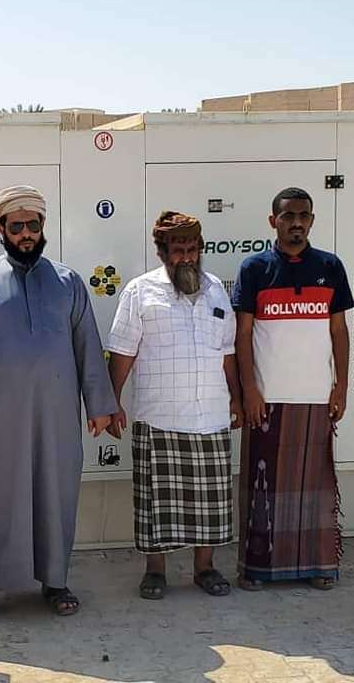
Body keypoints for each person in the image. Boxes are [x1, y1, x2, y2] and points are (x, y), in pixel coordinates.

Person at [0, 184, 116, 627]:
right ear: (1, 228)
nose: (26, 234)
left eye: (33, 225)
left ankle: (55, 581)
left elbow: (87, 346)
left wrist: (99, 405)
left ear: (43, 225)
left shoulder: (68, 282)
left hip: (56, 413)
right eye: (17, 227)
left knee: (56, 491)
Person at [106, 211, 243, 600]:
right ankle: (155, 571)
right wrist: (112, 401)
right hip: (159, 417)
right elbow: (122, 351)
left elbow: (228, 352)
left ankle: (205, 568)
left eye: (192, 249)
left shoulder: (216, 290)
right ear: (162, 252)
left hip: (210, 415)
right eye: (178, 250)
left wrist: (236, 397)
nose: (186, 257)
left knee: (210, 502)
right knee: (156, 504)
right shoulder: (140, 291)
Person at [232, 186, 354, 591]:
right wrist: (249, 391)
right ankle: (256, 569)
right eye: (288, 216)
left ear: (312, 221)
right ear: (274, 221)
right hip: (267, 398)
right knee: (263, 488)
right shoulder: (254, 269)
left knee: (314, 487)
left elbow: (339, 331)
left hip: (316, 396)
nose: (296, 223)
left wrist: (340, 387)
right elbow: (242, 335)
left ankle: (319, 566)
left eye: (303, 216)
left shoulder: (330, 266)